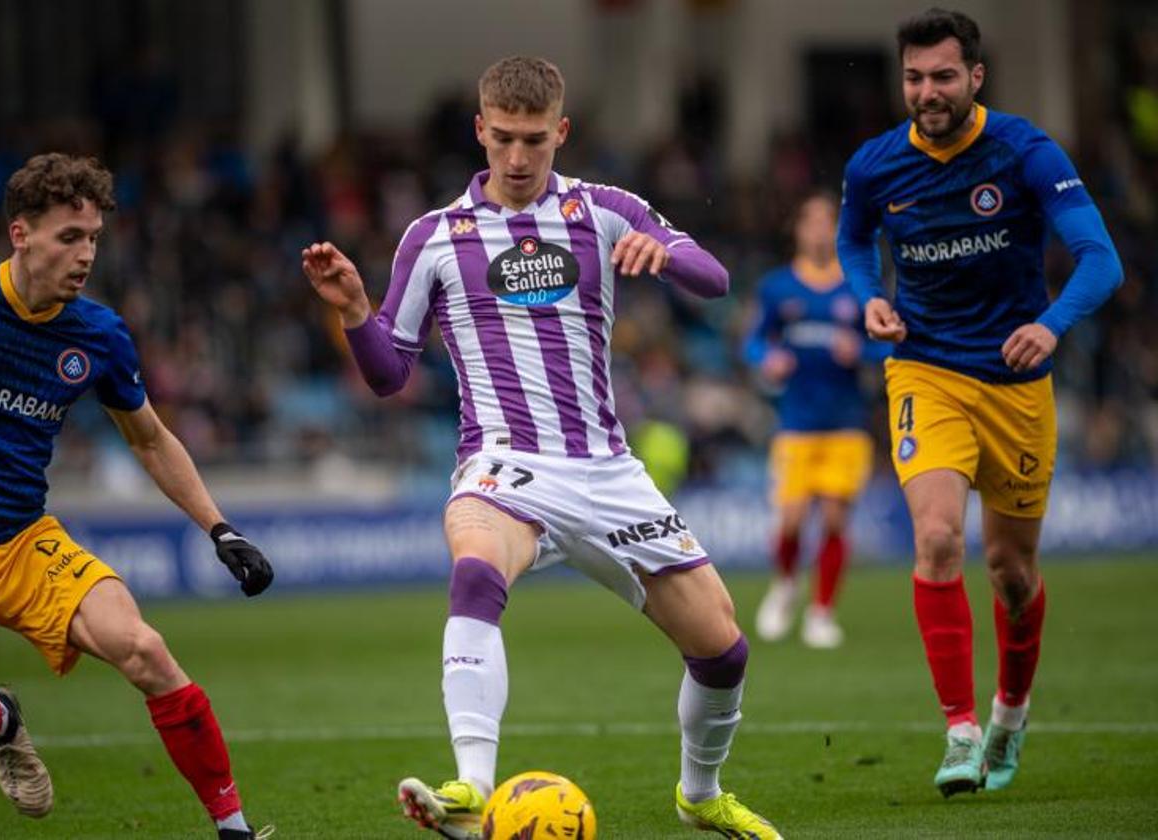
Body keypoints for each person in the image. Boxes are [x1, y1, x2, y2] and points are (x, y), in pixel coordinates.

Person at [304, 56, 782, 839]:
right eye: (503, 140)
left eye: (535, 140)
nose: (519, 159)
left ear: (561, 132)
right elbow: (389, 375)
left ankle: (700, 794)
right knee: (475, 568)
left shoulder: (604, 210)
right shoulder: (432, 238)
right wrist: (357, 309)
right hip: (504, 465)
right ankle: (470, 788)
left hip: (606, 469)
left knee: (723, 651)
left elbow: (716, 277)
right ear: (479, 133)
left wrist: (667, 256)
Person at [837, 9, 1123, 797]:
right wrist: (869, 297)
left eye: (942, 77)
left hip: (1016, 383)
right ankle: (960, 730)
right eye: (913, 79)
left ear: (976, 77)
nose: (926, 93)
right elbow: (855, 240)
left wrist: (1052, 323)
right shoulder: (874, 166)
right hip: (924, 370)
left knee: (1011, 570)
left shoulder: (1025, 152)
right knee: (935, 539)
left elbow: (1102, 260)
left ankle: (1011, 712)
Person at [0, 153, 275, 838]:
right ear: (21, 234)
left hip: (22, 541)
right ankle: (1, 719)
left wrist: (221, 529)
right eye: (69, 237)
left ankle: (235, 828)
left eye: (94, 237)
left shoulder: (98, 334)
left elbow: (151, 440)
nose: (86, 254)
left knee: (145, 649)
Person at [746, 190, 886, 649]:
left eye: (829, 223)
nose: (820, 231)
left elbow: (887, 342)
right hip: (796, 423)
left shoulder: (858, 287)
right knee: (789, 520)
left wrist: (861, 351)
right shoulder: (777, 287)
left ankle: (822, 612)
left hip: (846, 422)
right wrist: (768, 358)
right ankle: (786, 585)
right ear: (799, 230)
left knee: (833, 520)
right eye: (812, 223)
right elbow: (752, 342)